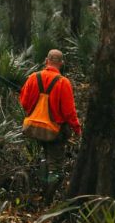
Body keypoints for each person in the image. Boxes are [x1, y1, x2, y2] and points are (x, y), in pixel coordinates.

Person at [19, 49, 81, 200]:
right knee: (55, 166)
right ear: (61, 63)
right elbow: (69, 112)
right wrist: (77, 129)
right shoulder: (63, 82)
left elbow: (24, 103)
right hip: (54, 132)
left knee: (45, 158)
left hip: (34, 129)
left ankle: (41, 191)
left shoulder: (33, 77)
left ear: (46, 61)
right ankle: (48, 199)